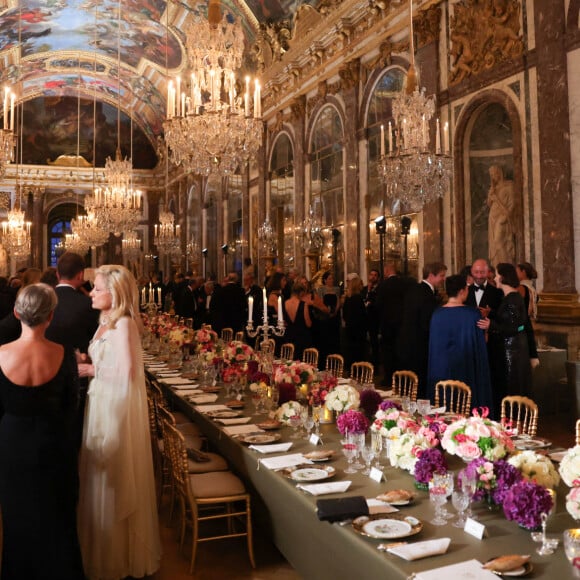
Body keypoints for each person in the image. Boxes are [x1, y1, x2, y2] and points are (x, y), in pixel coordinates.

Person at [77, 265, 161, 579]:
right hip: (100, 401)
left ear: (116, 293)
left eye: (98, 289)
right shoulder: (104, 320)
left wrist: (89, 371)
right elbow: (107, 360)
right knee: (99, 473)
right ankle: (103, 549)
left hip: (115, 406)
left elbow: (127, 372)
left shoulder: (124, 323)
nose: (93, 293)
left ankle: (118, 558)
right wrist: (87, 360)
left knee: (114, 472)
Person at [0, 283, 84, 578]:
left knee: (16, 516)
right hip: (54, 442)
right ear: (50, 316)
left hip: (11, 444)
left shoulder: (0, 354)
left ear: (16, 312)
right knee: (57, 516)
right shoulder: (64, 354)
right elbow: (71, 405)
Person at [427, 274, 493, 411]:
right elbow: (482, 343)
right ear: (462, 291)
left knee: (443, 401)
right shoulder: (472, 314)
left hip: (441, 369)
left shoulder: (436, 314)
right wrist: (488, 329)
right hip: (466, 368)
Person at [477, 262, 533, 417]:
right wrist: (492, 313)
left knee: (510, 387)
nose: (494, 277)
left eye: (496, 274)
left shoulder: (513, 298)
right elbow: (508, 319)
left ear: (503, 277)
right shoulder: (509, 297)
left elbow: (516, 327)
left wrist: (491, 325)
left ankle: (511, 422)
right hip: (510, 350)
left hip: (512, 353)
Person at [397, 262, 447, 397]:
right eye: (441, 276)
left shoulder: (414, 289)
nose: (443, 279)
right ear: (431, 275)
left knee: (411, 388)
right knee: (419, 389)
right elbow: (426, 324)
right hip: (419, 348)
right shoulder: (426, 295)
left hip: (407, 345)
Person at [487, 164, 516, 266]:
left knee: (498, 240)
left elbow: (513, 203)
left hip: (502, 216)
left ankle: (506, 266)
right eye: (491, 174)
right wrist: (491, 196)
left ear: (499, 172)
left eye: (494, 173)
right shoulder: (494, 188)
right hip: (492, 217)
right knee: (494, 244)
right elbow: (489, 204)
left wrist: (507, 215)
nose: (493, 176)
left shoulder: (509, 185)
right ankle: (497, 266)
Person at [315, 270, 341, 369]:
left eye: (332, 278)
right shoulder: (321, 289)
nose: (331, 280)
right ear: (325, 280)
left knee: (334, 339)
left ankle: (335, 363)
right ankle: (324, 363)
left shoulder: (337, 289)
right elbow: (320, 302)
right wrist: (327, 311)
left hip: (334, 317)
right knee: (326, 339)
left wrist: (335, 311)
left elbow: (338, 301)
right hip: (325, 317)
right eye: (329, 278)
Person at [342, 275, 368, 371]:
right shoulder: (358, 298)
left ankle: (351, 370)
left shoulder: (348, 299)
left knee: (351, 351)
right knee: (359, 352)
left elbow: (344, 315)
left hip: (349, 329)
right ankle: (359, 371)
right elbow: (362, 315)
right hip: (359, 330)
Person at [283, 280, 313, 360]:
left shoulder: (285, 303)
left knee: (290, 363)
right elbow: (308, 324)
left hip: (289, 336)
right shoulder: (303, 304)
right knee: (302, 365)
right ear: (301, 293)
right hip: (302, 337)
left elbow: (283, 322)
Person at [361, 268, 380, 369]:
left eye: (375, 275)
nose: (372, 277)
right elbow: (363, 301)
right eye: (371, 274)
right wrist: (368, 291)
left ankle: (375, 366)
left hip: (374, 320)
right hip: (364, 320)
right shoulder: (364, 289)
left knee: (374, 343)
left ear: (378, 278)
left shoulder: (379, 289)